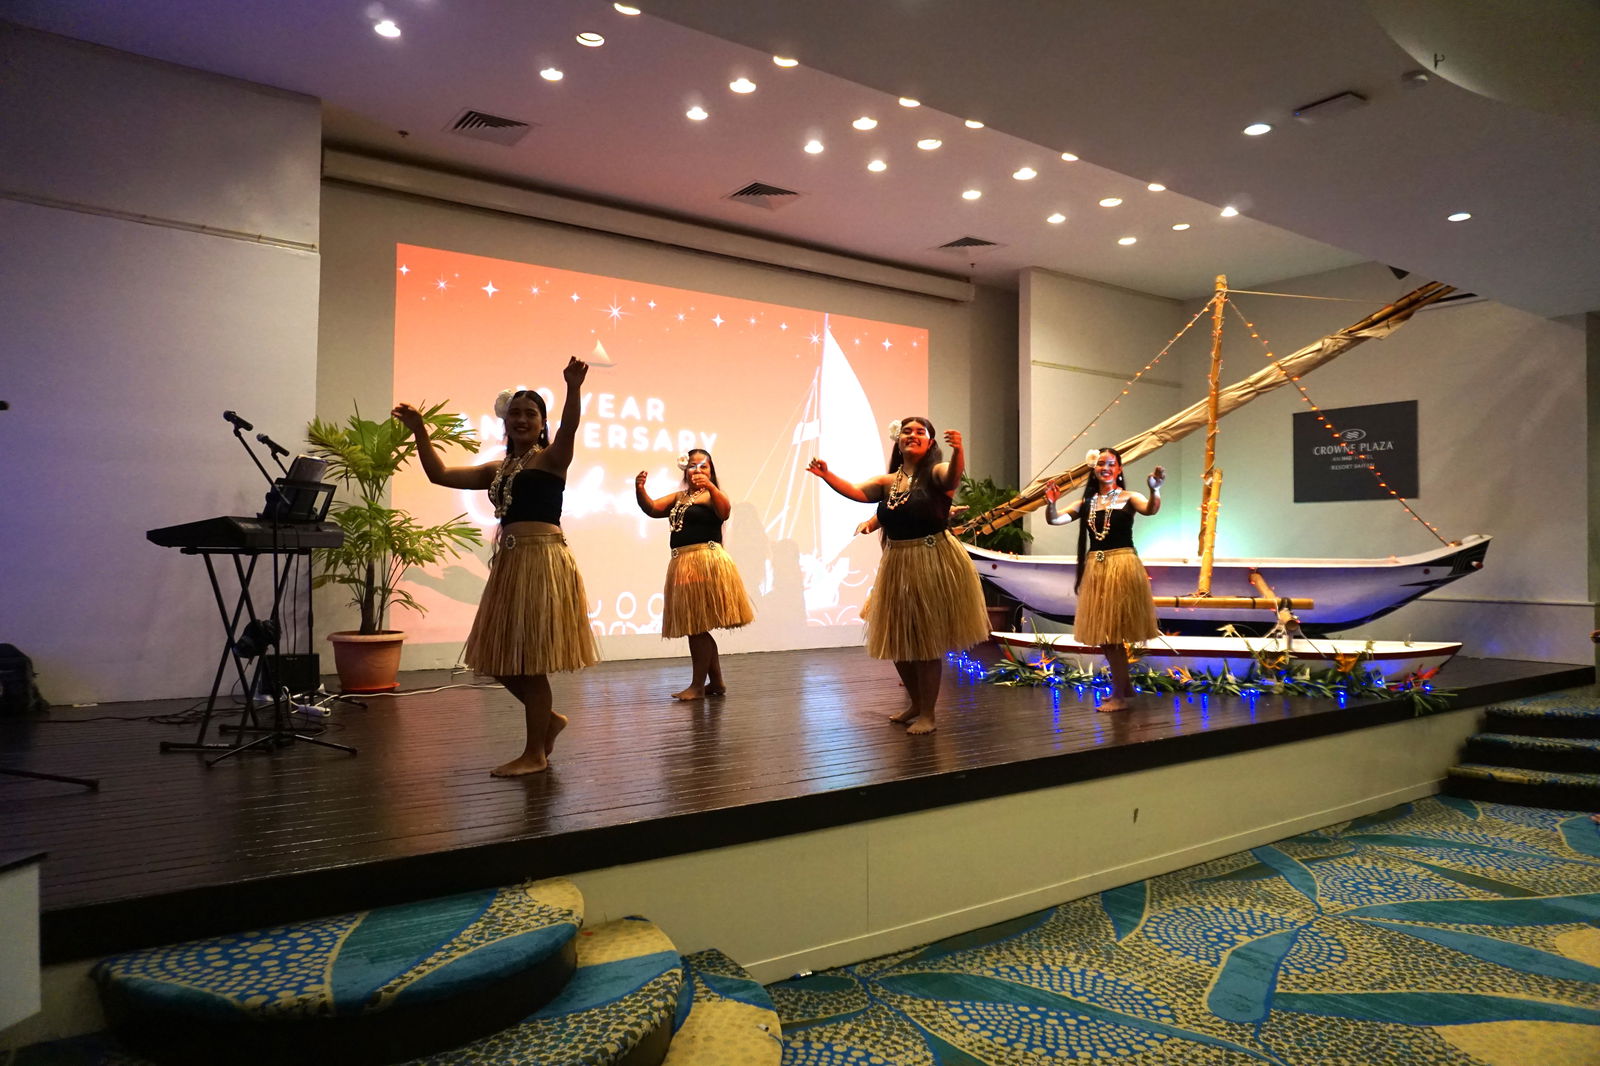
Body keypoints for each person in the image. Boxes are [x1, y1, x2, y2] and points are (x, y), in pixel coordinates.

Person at [392, 357, 599, 776]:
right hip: (510, 564)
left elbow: (571, 428)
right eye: (515, 413)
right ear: (505, 421)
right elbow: (439, 474)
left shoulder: (551, 459)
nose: (521, 419)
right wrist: (419, 431)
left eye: (531, 413)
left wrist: (573, 387)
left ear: (542, 423)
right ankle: (549, 721)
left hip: (542, 561)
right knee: (495, 658)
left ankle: (535, 754)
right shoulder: (497, 470)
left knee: (530, 662)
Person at [807, 417, 990, 734]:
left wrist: (959, 451)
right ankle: (916, 705)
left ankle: (929, 715)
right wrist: (827, 476)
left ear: (930, 443)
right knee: (899, 639)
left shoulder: (935, 473)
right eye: (907, 431)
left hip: (932, 560)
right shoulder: (888, 482)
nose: (912, 435)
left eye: (920, 432)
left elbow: (952, 476)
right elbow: (857, 491)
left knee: (926, 642)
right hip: (897, 563)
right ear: (898, 440)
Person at [1045, 447, 1163, 711]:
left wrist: (1155, 490)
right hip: (1097, 570)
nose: (1105, 468)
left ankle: (1119, 695)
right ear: (1094, 469)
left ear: (1119, 469)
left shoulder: (1131, 497)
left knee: (1113, 635)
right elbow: (1055, 520)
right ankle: (1125, 688)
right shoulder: (1087, 503)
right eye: (1100, 464)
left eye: (1111, 464)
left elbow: (1150, 509)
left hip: (1123, 567)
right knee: (1106, 634)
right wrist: (1051, 503)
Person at [634, 449, 755, 700]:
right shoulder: (680, 497)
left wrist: (710, 486)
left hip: (705, 561)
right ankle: (716, 682)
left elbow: (725, 512)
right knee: (697, 626)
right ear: (685, 471)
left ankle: (698, 686)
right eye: (692, 466)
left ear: (711, 471)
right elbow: (653, 508)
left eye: (703, 466)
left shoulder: (712, 495)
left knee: (697, 626)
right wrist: (640, 490)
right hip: (683, 562)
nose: (697, 470)